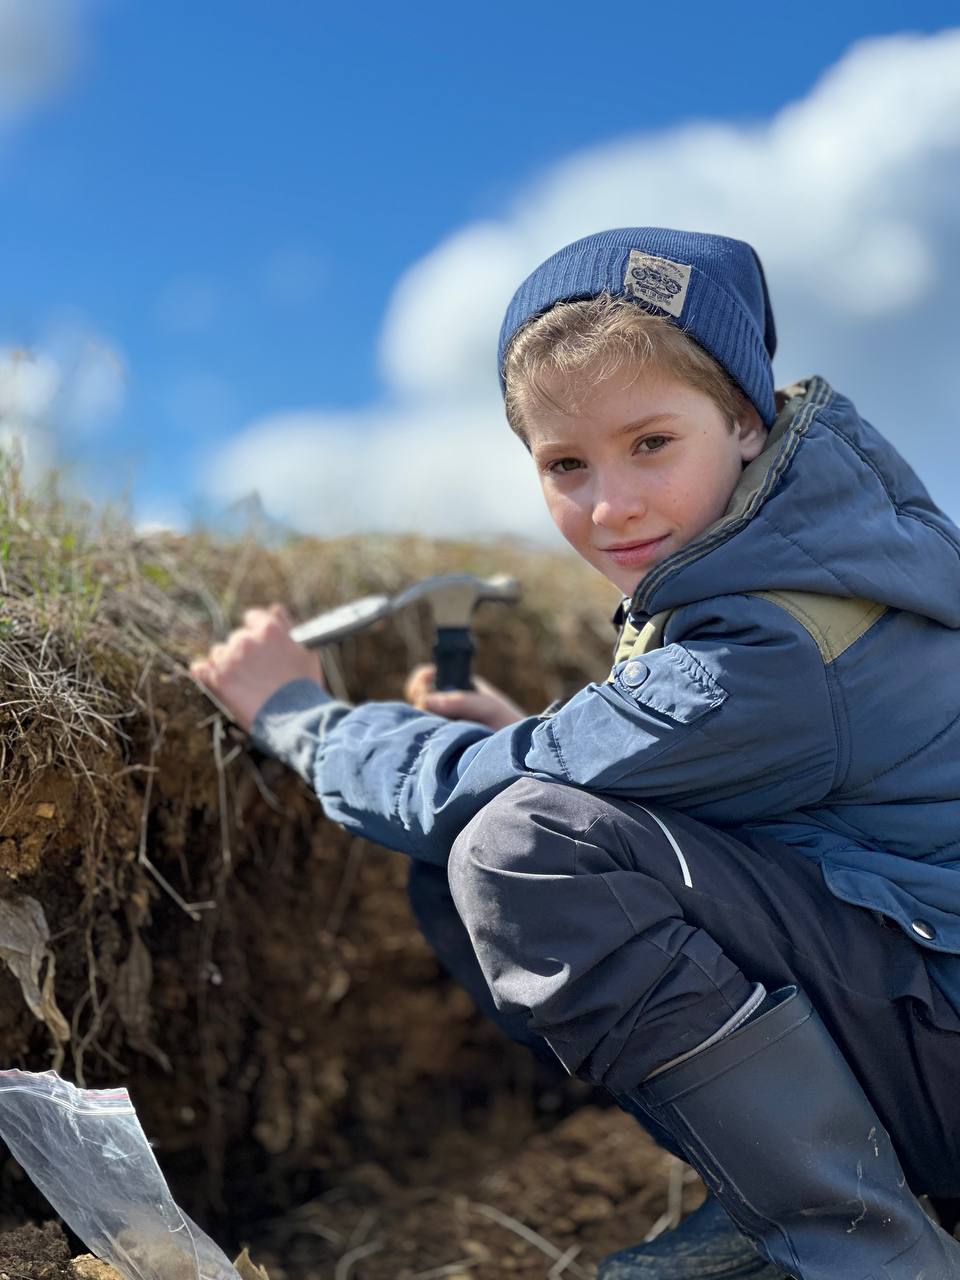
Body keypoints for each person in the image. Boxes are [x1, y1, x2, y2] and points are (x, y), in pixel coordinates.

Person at [190, 228, 960, 1279]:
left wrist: (295, 712)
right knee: (502, 839)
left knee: (518, 845)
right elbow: (765, 792)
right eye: (566, 463)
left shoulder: (777, 637)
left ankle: (863, 1250)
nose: (611, 504)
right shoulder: (812, 552)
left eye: (651, 443)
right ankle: (768, 1188)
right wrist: (540, 735)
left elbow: (480, 788)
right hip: (925, 998)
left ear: (744, 415)